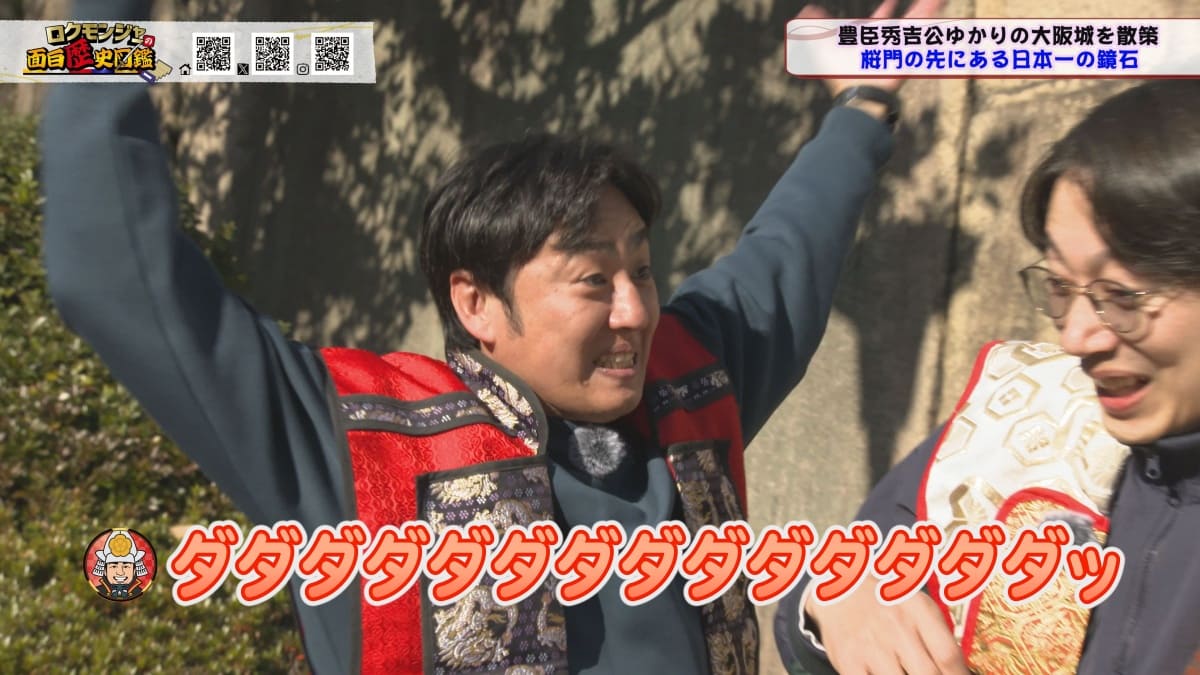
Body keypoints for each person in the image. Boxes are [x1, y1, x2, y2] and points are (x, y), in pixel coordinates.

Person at [42, 0, 937, 673]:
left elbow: (790, 250)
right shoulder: (353, 443)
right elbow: (110, 268)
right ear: (475, 303)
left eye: (642, 268)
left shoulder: (688, 378)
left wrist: (865, 103)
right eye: (594, 280)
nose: (634, 309)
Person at [774, 80, 1200, 675]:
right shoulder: (1031, 410)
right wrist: (836, 597)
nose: (1078, 337)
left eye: (1123, 296)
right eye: (1060, 286)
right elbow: (854, 564)